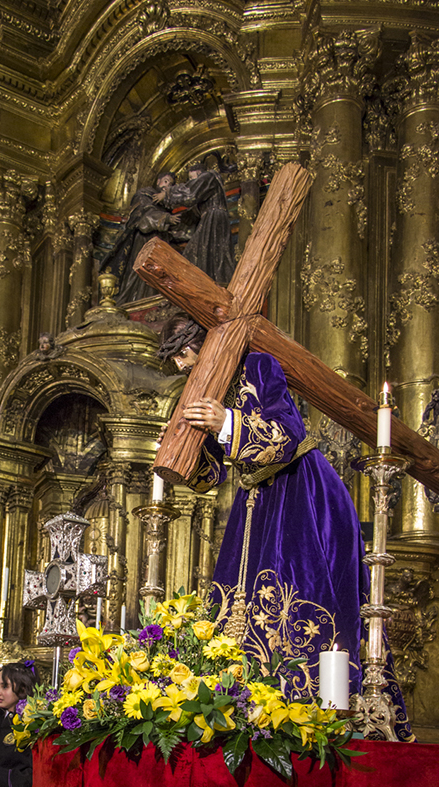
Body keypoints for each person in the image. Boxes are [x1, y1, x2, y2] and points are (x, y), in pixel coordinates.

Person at [158, 315, 412, 739]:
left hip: (302, 492)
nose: (182, 367)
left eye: (183, 355)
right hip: (254, 501)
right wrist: (187, 444)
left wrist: (226, 424)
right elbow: (213, 477)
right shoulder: (210, 389)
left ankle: (318, 718)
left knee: (303, 592)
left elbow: (287, 435)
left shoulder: (258, 366)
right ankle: (243, 715)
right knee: (238, 604)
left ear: (202, 343)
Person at [100, 172, 185, 305]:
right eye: (166, 181)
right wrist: (165, 218)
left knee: (160, 274)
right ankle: (136, 303)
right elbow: (143, 215)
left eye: (171, 185)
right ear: (158, 181)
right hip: (144, 239)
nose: (166, 187)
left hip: (161, 243)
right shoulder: (144, 194)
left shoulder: (166, 205)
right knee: (141, 273)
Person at [154, 160, 235, 286]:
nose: (192, 182)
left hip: (213, 219)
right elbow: (193, 211)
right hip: (211, 218)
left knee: (201, 252)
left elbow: (190, 193)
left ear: (200, 175)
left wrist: (167, 194)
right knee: (206, 253)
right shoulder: (209, 190)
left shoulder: (209, 177)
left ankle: (206, 283)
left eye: (192, 178)